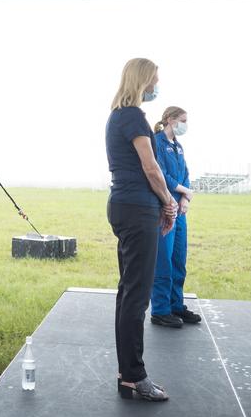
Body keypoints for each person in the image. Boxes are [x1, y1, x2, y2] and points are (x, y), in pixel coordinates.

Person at [106, 58, 178, 402]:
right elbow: (150, 167)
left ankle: (127, 374)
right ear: (143, 81)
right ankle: (134, 376)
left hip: (125, 206)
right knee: (136, 295)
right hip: (137, 208)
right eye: (154, 81)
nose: (157, 86)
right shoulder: (133, 116)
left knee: (129, 292)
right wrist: (168, 201)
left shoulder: (117, 115)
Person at [150, 106, 201, 328]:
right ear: (170, 120)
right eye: (182, 120)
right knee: (164, 260)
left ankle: (176, 305)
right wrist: (183, 191)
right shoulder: (157, 143)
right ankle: (160, 310)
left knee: (179, 259)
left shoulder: (178, 147)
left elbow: (186, 174)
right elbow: (160, 174)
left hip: (179, 210)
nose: (185, 125)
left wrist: (186, 198)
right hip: (164, 208)